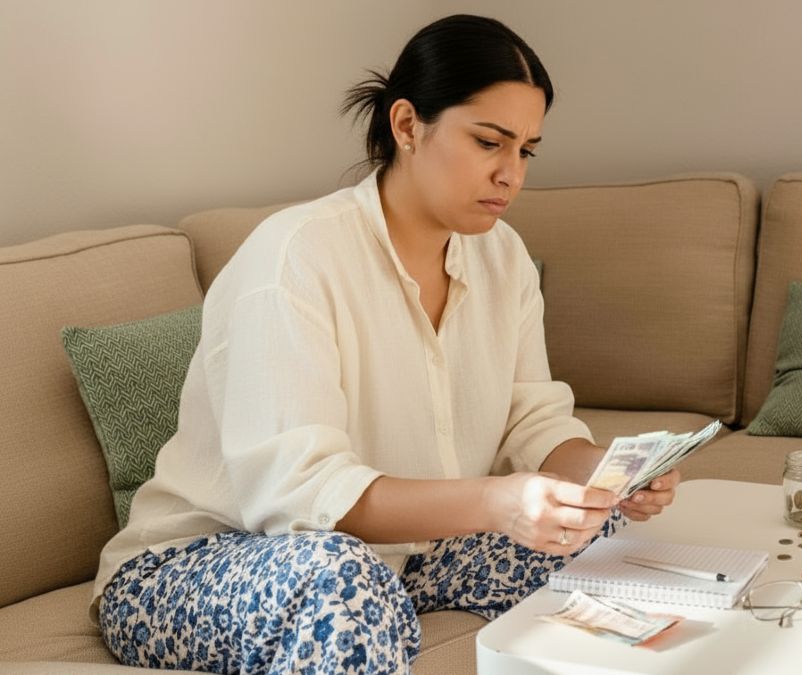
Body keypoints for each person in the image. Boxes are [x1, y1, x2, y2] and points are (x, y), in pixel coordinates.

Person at [92, 14, 679, 674]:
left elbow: (533, 419)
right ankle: (374, 612)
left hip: (399, 555)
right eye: (490, 142)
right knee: (340, 580)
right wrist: (499, 499)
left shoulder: (503, 258)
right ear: (406, 126)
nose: (511, 174)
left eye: (526, 151)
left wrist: (606, 476)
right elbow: (299, 497)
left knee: (592, 533)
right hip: (196, 567)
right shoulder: (297, 257)